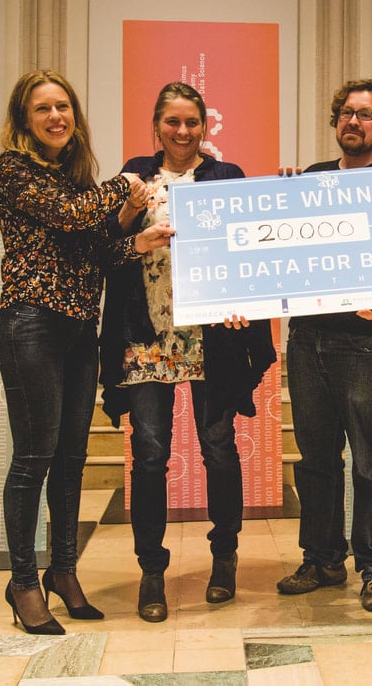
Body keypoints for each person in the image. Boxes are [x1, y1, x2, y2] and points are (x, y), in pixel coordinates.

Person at [0, 69, 171, 635]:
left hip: (77, 331)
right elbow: (69, 217)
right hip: (30, 324)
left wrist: (136, 242)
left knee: (71, 459)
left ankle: (63, 571)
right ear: (24, 120)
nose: (56, 117)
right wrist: (126, 183)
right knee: (33, 458)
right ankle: (23, 582)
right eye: (42, 108)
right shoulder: (13, 170)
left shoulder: (74, 180)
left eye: (63, 106)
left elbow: (93, 252)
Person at [99, 82, 276, 623]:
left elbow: (249, 250)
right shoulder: (134, 175)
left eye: (191, 122)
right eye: (172, 122)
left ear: (205, 126)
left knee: (218, 448)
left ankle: (225, 557)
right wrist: (129, 215)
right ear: (157, 126)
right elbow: (105, 248)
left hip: (210, 339)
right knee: (150, 454)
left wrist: (247, 304)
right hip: (145, 334)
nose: (182, 131)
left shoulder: (227, 176)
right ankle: (152, 571)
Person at [275, 78, 372, 612]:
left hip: (367, 343)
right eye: (347, 113)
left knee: (371, 462)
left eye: (366, 114)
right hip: (308, 337)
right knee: (316, 459)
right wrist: (280, 202)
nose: (354, 121)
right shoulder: (311, 179)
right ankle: (322, 558)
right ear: (336, 121)